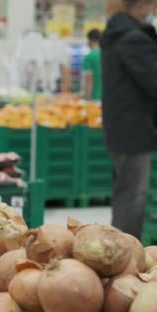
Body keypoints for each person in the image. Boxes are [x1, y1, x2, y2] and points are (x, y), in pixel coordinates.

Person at [101, 0, 157, 239]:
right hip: (134, 129)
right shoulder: (133, 39)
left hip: (120, 126)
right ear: (141, 6)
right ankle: (123, 253)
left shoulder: (115, 34)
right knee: (132, 197)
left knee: (125, 193)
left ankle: (118, 248)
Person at [82, 29, 102, 101]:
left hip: (95, 98)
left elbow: (89, 80)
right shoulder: (108, 56)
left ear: (90, 40)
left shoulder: (89, 57)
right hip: (108, 97)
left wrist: (87, 100)